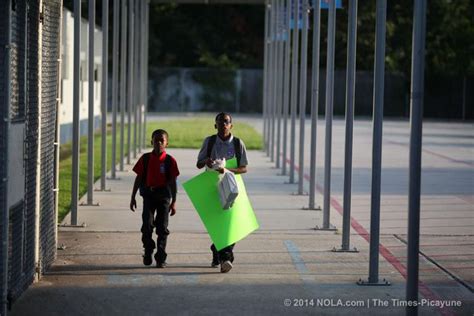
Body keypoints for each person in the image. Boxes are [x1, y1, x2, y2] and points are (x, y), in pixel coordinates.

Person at [196, 112, 248, 273]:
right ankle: (223, 256)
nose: (223, 124)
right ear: (215, 125)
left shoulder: (238, 143)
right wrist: (207, 161)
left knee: (232, 224)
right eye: (219, 122)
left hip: (232, 188)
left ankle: (221, 253)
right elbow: (199, 164)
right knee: (218, 224)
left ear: (231, 125)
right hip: (212, 187)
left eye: (226, 122)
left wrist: (226, 169)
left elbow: (244, 168)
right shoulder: (210, 142)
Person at [130, 129, 180, 268]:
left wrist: (174, 201)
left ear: (167, 143)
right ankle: (148, 249)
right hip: (149, 196)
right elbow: (139, 178)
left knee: (162, 228)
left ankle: (161, 257)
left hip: (164, 196)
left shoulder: (170, 161)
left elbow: (173, 183)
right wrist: (133, 197)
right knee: (147, 225)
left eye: (161, 140)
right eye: (156, 140)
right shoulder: (145, 158)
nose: (158, 143)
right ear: (151, 141)